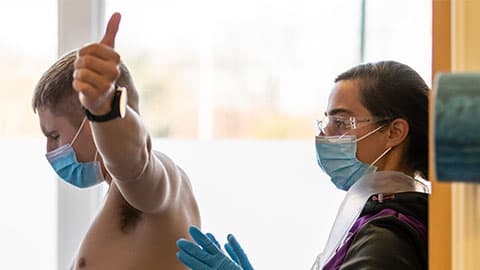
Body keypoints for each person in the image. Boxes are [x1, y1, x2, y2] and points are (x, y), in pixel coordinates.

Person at [176, 61, 430, 270]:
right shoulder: (379, 216)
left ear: (394, 132)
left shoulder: (387, 235)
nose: (323, 136)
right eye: (325, 123)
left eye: (341, 122)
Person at [32, 13, 200, 269]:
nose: (49, 150)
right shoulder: (116, 199)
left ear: (92, 126)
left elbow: (134, 165)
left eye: (54, 136)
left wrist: (103, 109)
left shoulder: (155, 181)